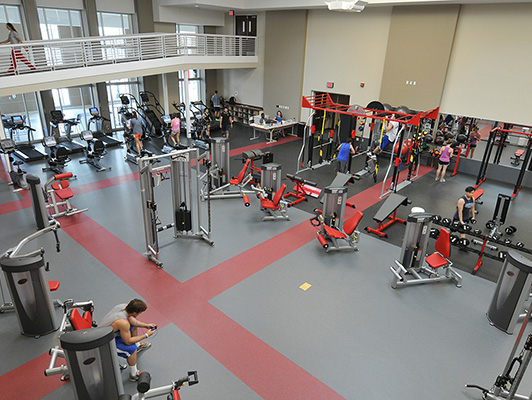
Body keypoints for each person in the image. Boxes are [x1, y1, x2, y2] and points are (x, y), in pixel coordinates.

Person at [99, 299, 157, 381]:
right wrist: (146, 335)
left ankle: (137, 345)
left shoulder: (124, 306)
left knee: (133, 325)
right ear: (135, 312)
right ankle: (134, 375)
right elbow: (128, 341)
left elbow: (134, 322)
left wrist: (146, 325)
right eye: (140, 313)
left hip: (112, 332)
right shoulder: (123, 323)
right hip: (103, 341)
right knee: (131, 350)